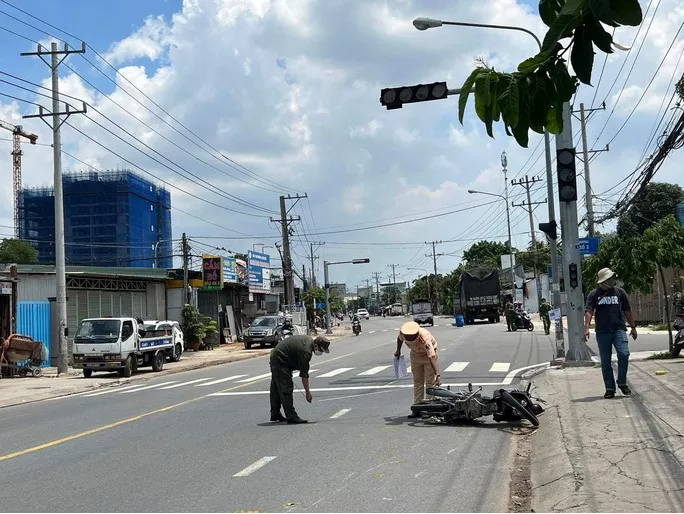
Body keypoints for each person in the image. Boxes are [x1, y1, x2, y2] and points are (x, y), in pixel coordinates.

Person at [584, 267, 637, 399]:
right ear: (602, 281)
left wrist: (633, 327)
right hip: (602, 332)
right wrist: (586, 328)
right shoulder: (594, 294)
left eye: (611, 278)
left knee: (624, 354)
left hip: (619, 329)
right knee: (606, 362)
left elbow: (627, 310)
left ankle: (622, 382)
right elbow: (589, 311)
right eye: (608, 279)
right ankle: (609, 388)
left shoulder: (620, 292)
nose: (611, 281)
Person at [269, 334, 330, 424]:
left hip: (277, 356)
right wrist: (307, 392)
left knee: (276, 388)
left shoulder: (309, 341)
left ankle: (275, 413)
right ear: (316, 345)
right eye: (321, 350)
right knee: (286, 388)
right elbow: (304, 375)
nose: (321, 352)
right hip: (280, 361)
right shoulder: (306, 351)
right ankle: (291, 416)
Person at [394, 321, 442, 418]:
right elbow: (399, 339)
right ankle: (418, 407)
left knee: (430, 382)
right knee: (417, 382)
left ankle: (430, 407)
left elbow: (431, 356)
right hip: (416, 355)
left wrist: (437, 373)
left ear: (416, 335)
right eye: (407, 337)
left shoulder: (424, 337)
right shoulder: (403, 333)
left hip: (428, 356)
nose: (408, 338)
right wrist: (398, 350)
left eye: (410, 337)